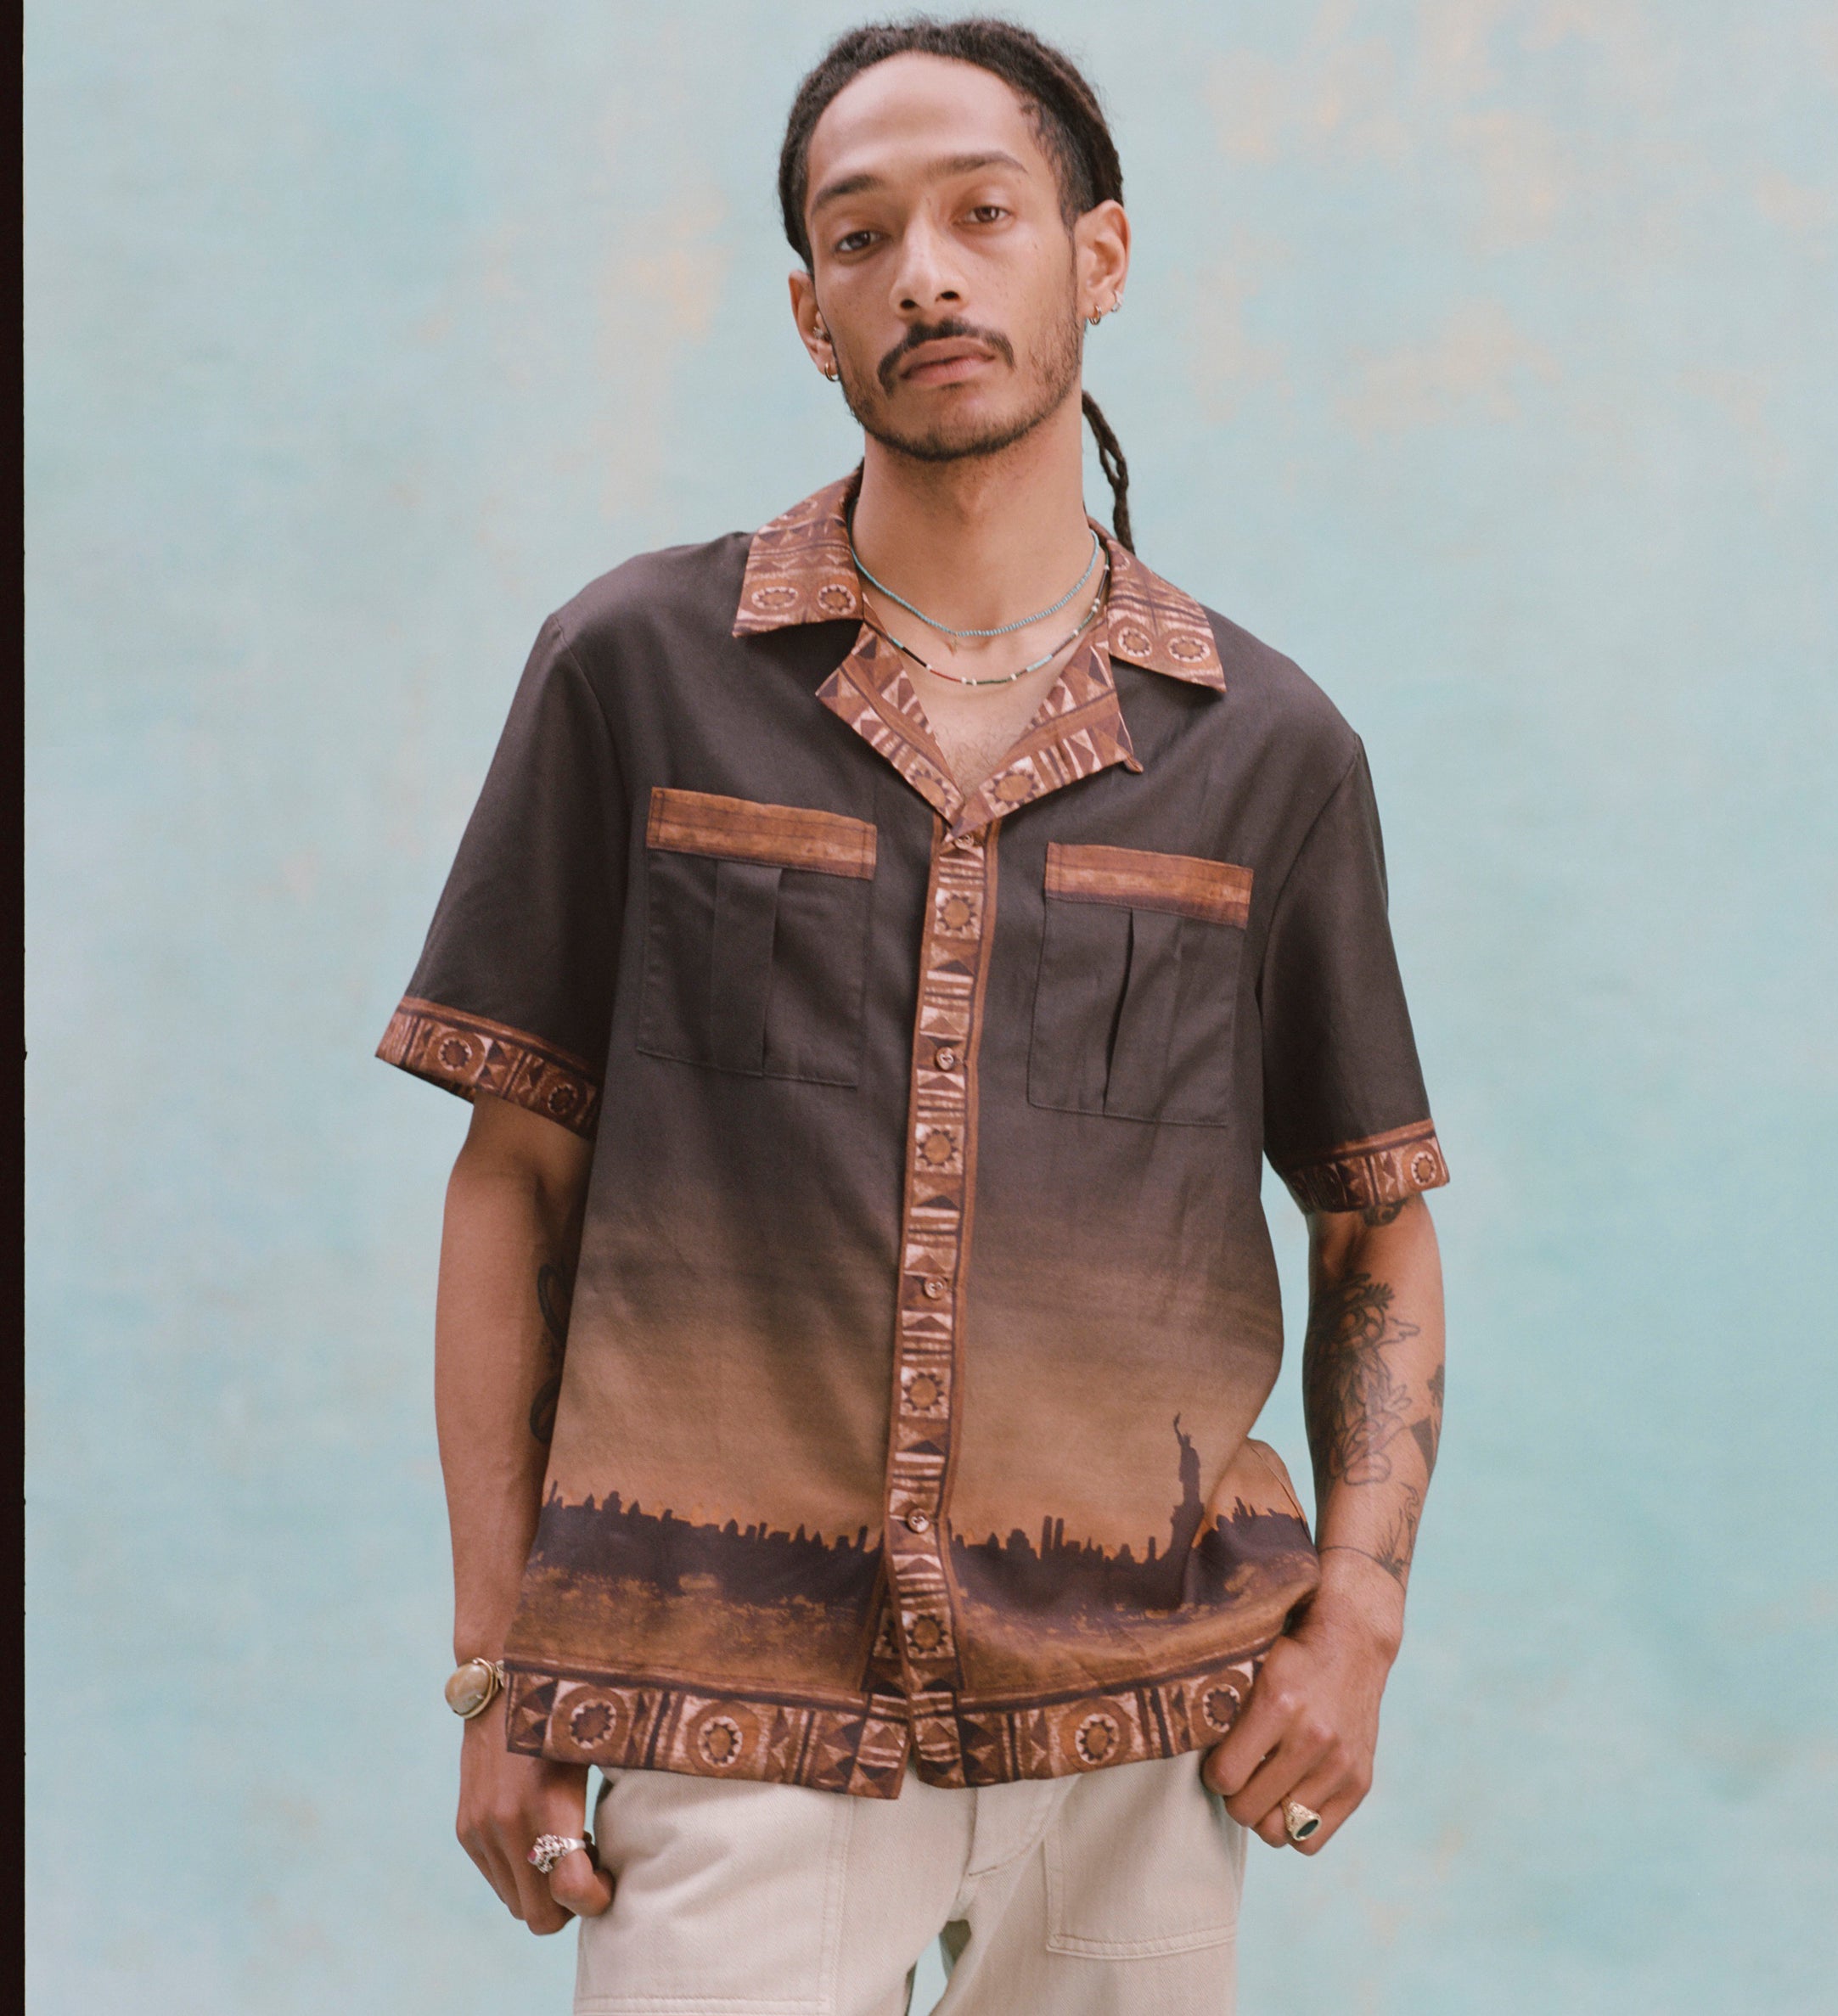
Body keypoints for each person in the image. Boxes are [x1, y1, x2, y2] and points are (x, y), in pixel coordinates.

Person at [379, 18, 1447, 2013]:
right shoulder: (637, 673)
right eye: (860, 238)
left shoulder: (1267, 749)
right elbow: (511, 1177)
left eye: (983, 214)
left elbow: (1374, 1212)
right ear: (810, 313)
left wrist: (1359, 1617)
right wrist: (500, 1664)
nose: (926, 274)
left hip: (1146, 1724)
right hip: (730, 1706)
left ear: (1098, 258)